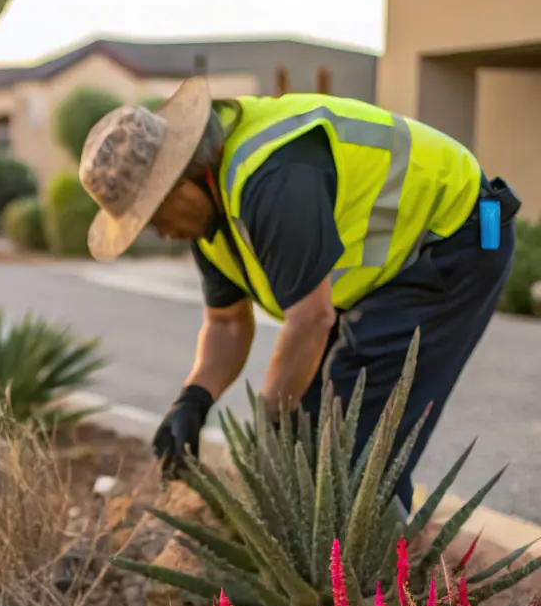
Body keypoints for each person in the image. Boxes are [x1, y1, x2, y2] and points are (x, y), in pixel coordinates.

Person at [78, 80, 520, 510]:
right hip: (394, 267)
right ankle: (329, 551)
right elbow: (227, 323)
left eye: (153, 217)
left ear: (183, 179)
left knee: (352, 433)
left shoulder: (271, 179)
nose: (161, 233)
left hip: (457, 233)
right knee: (308, 417)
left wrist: (268, 424)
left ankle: (377, 565)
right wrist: (193, 399)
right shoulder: (209, 220)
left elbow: (311, 319)